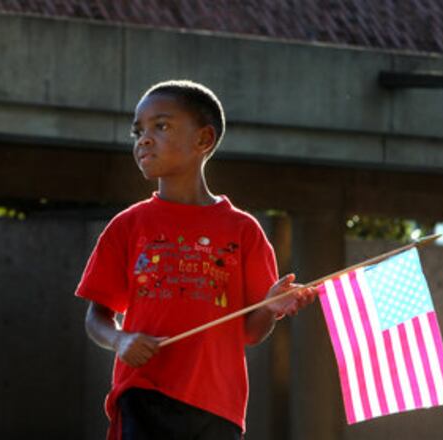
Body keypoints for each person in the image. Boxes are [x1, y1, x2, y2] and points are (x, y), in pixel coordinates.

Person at [75, 79, 317, 439]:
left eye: (161, 126)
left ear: (203, 140)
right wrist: (120, 340)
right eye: (138, 130)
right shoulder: (127, 225)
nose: (143, 139)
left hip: (217, 405)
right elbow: (97, 317)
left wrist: (270, 308)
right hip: (142, 393)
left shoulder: (243, 230)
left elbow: (250, 332)